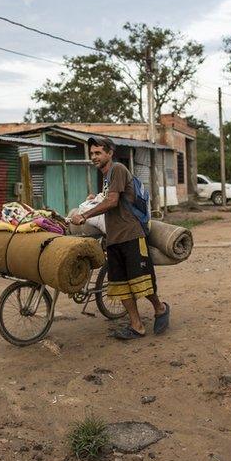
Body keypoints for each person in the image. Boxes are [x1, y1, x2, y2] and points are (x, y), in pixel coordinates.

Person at [69, 136, 169, 340]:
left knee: (141, 282)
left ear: (109, 153)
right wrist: (94, 199)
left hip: (131, 235)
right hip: (114, 238)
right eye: (92, 154)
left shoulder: (118, 169)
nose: (94, 157)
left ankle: (160, 308)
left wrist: (85, 215)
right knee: (121, 285)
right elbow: (109, 197)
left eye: (98, 153)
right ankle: (137, 325)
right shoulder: (106, 177)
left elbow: (112, 201)